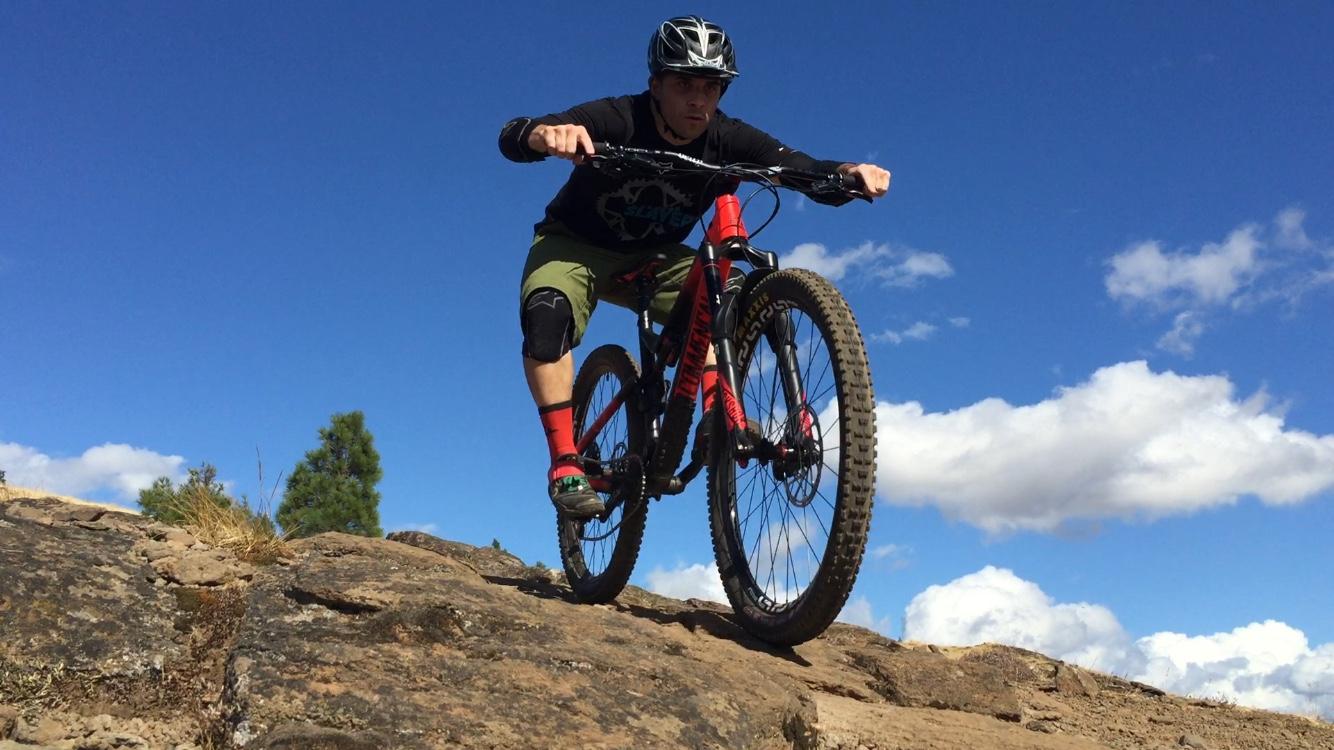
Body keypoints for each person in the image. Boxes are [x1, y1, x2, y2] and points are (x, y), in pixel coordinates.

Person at [498, 15, 890, 518]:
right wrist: (546, 137)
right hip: (576, 246)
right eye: (683, 83)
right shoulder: (619, 117)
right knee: (547, 315)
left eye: (711, 87)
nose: (698, 100)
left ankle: (715, 417)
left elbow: (801, 167)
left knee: (723, 295)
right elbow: (516, 134)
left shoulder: (727, 138)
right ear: (655, 84)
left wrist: (848, 174)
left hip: (657, 257)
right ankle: (566, 462)